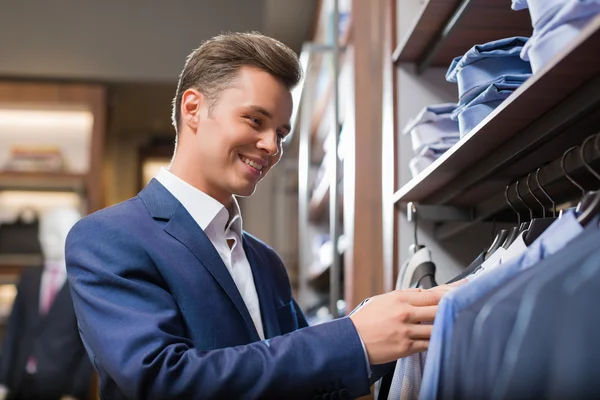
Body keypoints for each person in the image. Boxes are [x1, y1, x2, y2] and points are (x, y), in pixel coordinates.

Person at [65, 32, 454, 400]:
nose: (271, 146)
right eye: (255, 120)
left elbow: (308, 376)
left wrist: (400, 328)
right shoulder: (107, 237)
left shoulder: (264, 260)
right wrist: (354, 337)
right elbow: (162, 380)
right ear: (193, 108)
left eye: (281, 134)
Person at [0, 207, 93, 400]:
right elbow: (14, 330)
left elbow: (90, 344)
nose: (46, 239)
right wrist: (2, 380)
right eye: (44, 232)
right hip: (19, 381)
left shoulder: (85, 282)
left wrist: (76, 390)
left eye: (55, 233)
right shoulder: (29, 277)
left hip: (59, 385)